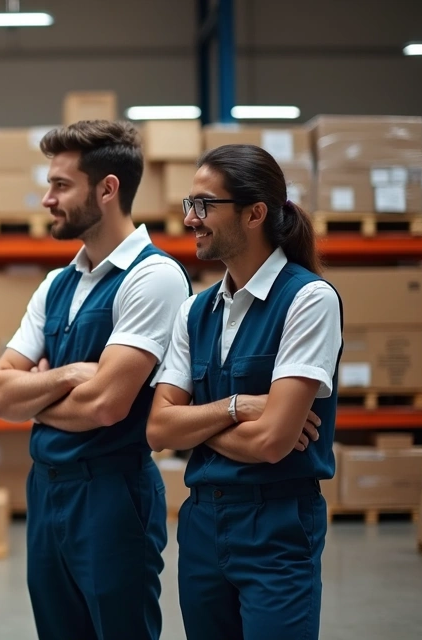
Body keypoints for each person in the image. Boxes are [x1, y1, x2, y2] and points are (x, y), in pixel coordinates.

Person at [0, 120, 191, 640]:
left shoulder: (153, 278)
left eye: (60, 185)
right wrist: (73, 374)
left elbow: (106, 407)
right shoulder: (58, 283)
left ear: (107, 189)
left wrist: (34, 394)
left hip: (111, 493)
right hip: (47, 488)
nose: (47, 199)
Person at [146, 144, 342, 640]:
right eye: (190, 204)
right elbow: (158, 428)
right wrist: (237, 409)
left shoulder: (308, 301)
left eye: (205, 205)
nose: (192, 219)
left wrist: (198, 421)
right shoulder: (195, 311)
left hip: (276, 525)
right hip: (201, 524)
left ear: (255, 213)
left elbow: (272, 442)